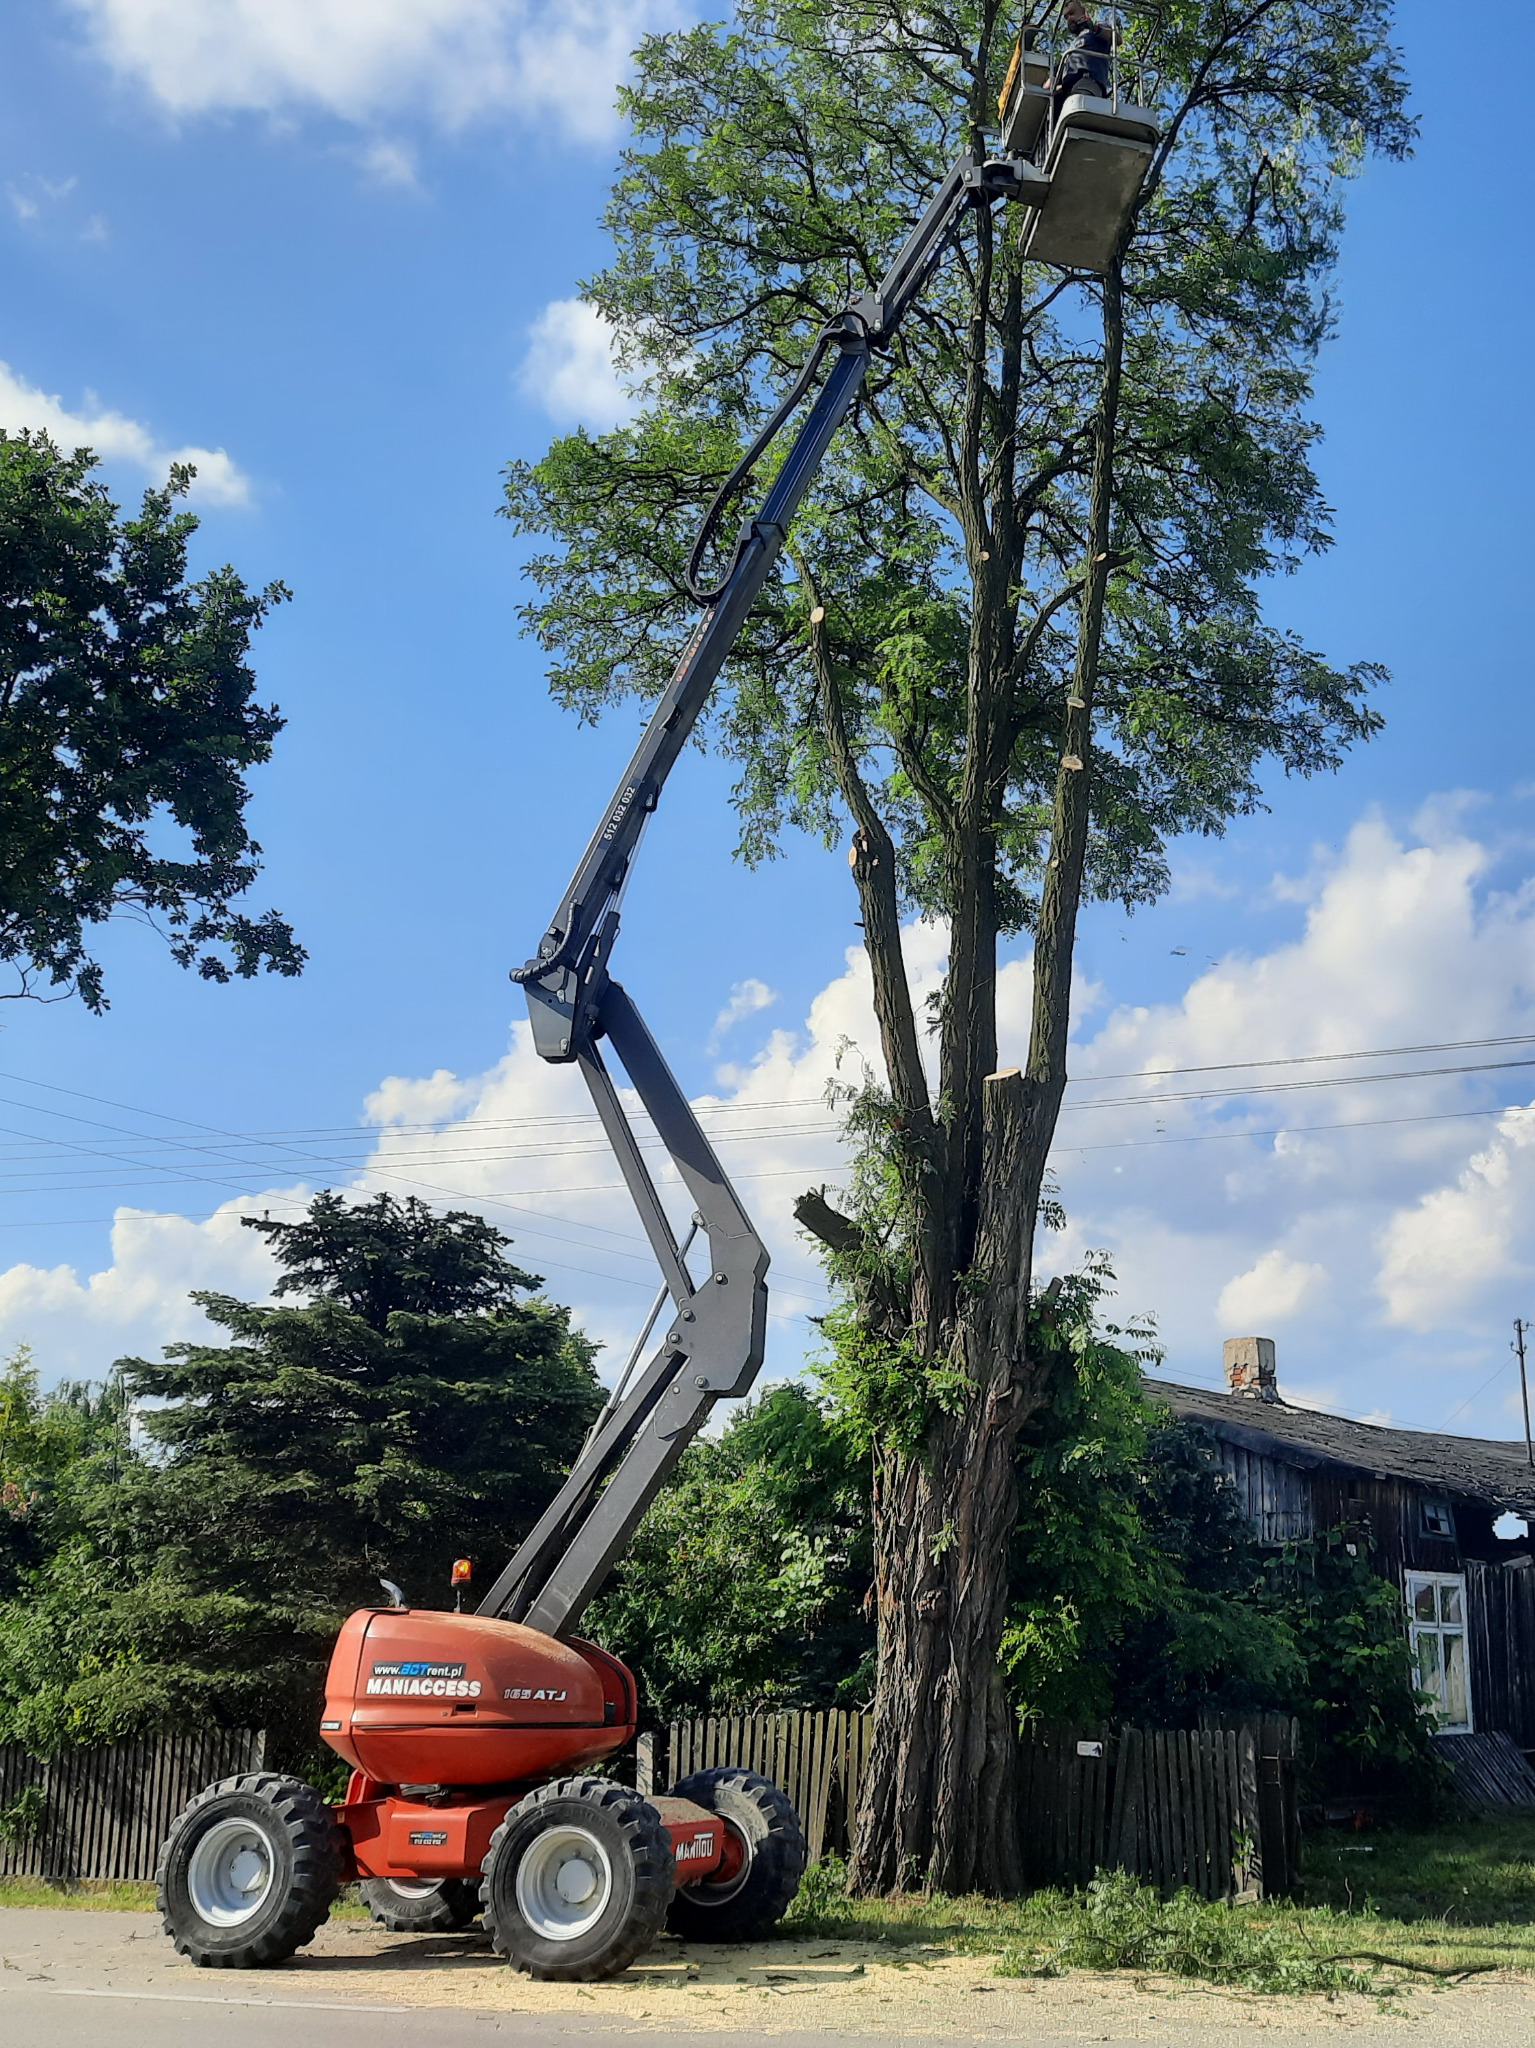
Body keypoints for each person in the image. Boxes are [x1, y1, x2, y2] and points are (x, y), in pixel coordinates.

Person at [1050, 0, 1115, 117]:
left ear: (1084, 11)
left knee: (1078, 110)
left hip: (1086, 84)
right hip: (1067, 91)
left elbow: (1116, 39)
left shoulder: (1096, 32)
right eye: (1066, 17)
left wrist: (1094, 28)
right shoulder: (1070, 52)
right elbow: (1050, 83)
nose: (1069, 19)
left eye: (1072, 13)